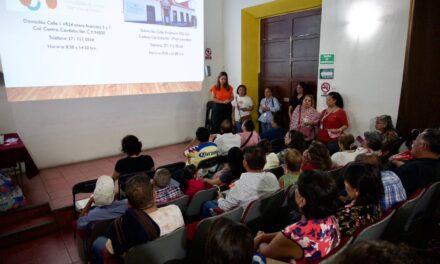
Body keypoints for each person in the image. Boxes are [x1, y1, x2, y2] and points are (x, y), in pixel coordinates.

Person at [92, 175, 184, 264]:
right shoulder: (175, 209)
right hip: (172, 257)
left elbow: (107, 253)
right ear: (154, 194)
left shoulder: (122, 226)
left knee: (98, 242)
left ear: (128, 203)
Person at [254, 170, 341, 263]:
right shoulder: (332, 219)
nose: (295, 189)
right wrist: (264, 237)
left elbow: (265, 252)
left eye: (297, 187)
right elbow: (288, 235)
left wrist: (258, 238)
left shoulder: (294, 233)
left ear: (302, 201)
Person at [202, 146, 279, 216]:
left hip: (240, 219)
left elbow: (225, 207)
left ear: (244, 163)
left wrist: (220, 198)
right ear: (265, 162)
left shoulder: (239, 185)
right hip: (264, 215)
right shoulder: (272, 177)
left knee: (207, 204)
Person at [336, 162, 384, 236]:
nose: (345, 186)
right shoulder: (376, 204)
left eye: (346, 183)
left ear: (357, 191)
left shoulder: (345, 217)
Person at [395, 128, 440, 197]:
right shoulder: (434, 165)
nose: (413, 142)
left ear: (423, 146)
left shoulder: (412, 169)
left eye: (415, 140)